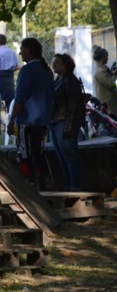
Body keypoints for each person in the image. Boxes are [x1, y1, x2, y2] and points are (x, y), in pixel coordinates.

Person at [7, 38, 54, 190]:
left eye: (21, 49)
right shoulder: (47, 71)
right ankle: (45, 181)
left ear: (28, 50)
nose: (20, 53)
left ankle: (30, 183)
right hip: (43, 120)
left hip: (27, 120)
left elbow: (20, 97)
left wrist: (12, 120)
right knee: (39, 152)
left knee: (24, 153)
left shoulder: (27, 70)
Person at [50, 53, 85, 191]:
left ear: (65, 65)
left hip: (64, 121)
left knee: (69, 155)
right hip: (55, 121)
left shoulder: (70, 80)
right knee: (61, 156)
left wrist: (68, 126)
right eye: (53, 62)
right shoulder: (59, 79)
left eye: (57, 62)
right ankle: (68, 185)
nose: (54, 65)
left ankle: (75, 186)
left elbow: (72, 104)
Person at [0, 34, 20, 109]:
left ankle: (3, 113)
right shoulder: (11, 52)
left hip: (1, 77)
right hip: (10, 76)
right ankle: (10, 113)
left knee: (1, 98)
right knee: (10, 98)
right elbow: (18, 66)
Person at [92, 45, 117, 117]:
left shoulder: (104, 70)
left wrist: (113, 74)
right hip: (108, 109)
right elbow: (111, 85)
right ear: (102, 58)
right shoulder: (100, 72)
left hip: (111, 107)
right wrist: (115, 75)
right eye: (106, 57)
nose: (108, 59)